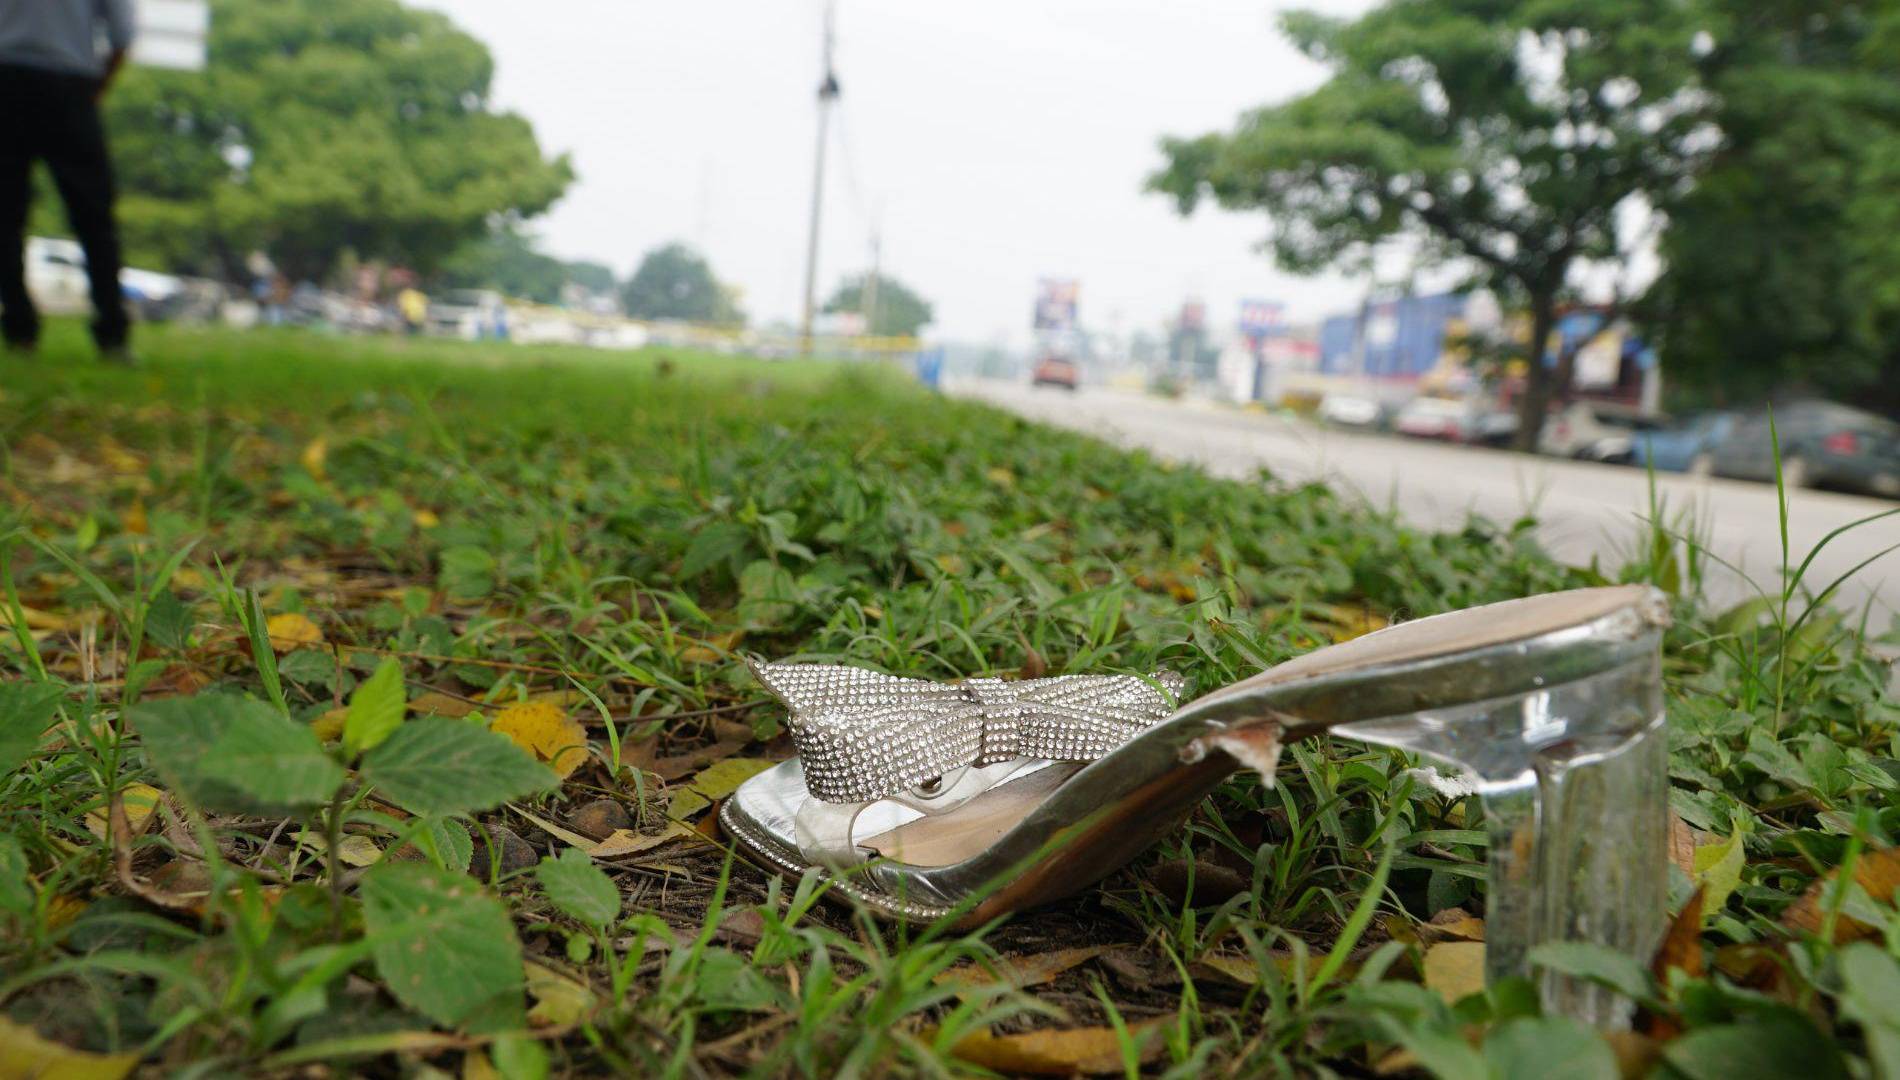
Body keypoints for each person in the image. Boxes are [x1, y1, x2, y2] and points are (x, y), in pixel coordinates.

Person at [0, 0, 137, 363]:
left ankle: (19, 329)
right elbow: (124, 35)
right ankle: (112, 334)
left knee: (4, 217)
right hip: (70, 85)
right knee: (96, 219)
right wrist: (95, 90)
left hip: (7, 81)